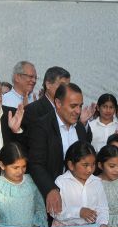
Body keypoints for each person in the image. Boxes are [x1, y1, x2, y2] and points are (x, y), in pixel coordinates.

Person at [27, 83, 89, 216]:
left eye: (80, 105)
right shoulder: (41, 126)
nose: (78, 111)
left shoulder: (80, 128)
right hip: (49, 200)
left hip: (78, 200)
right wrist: (51, 189)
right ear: (58, 103)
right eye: (73, 106)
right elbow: (35, 164)